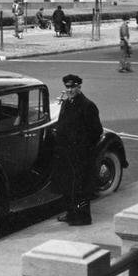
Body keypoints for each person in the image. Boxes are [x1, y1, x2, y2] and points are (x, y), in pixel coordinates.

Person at [51, 74, 103, 225]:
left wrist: (84, 148)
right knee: (68, 185)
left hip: (81, 154)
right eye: (67, 87)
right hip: (67, 153)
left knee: (81, 187)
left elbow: (96, 131)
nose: (70, 90)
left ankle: (82, 217)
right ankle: (71, 213)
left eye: (73, 87)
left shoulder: (87, 105)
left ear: (79, 87)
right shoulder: (67, 104)